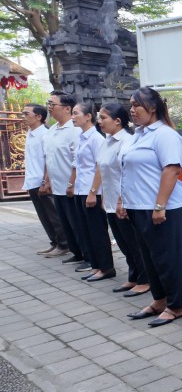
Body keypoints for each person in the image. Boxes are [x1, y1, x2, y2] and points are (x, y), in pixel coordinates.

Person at [121, 87, 182, 327]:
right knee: (150, 258)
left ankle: (176, 305)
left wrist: (160, 205)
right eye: (130, 105)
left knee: (168, 258)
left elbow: (171, 169)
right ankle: (160, 300)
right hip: (139, 206)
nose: (132, 110)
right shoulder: (139, 134)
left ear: (152, 108)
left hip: (164, 208)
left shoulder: (165, 134)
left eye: (136, 105)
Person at [97, 103, 150, 297]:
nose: (99, 121)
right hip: (110, 200)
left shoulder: (127, 141)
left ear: (117, 121)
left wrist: (122, 200)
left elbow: (126, 174)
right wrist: (103, 196)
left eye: (103, 118)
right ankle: (133, 276)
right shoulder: (107, 141)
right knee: (123, 242)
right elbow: (104, 171)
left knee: (134, 243)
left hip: (125, 201)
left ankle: (145, 279)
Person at [71, 100, 115, 282]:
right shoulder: (81, 137)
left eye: (76, 113)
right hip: (81, 189)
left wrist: (92, 191)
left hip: (92, 191)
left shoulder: (96, 139)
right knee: (86, 230)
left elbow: (99, 167)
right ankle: (96, 265)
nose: (73, 117)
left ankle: (106, 267)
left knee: (97, 231)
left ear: (88, 116)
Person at [43, 91, 87, 270]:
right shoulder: (52, 130)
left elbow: (77, 160)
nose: (49, 107)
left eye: (53, 104)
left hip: (71, 187)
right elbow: (49, 158)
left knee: (78, 224)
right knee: (66, 224)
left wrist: (71, 183)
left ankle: (87, 255)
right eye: (48, 103)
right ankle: (76, 253)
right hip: (57, 186)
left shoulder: (75, 130)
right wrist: (47, 180)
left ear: (67, 108)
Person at [22, 103, 69, 258]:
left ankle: (63, 244)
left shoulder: (45, 134)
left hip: (42, 181)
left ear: (38, 117)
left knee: (53, 215)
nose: (23, 117)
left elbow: (49, 159)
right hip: (32, 180)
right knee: (43, 216)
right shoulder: (30, 133)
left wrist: (45, 182)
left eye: (26, 114)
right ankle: (54, 242)